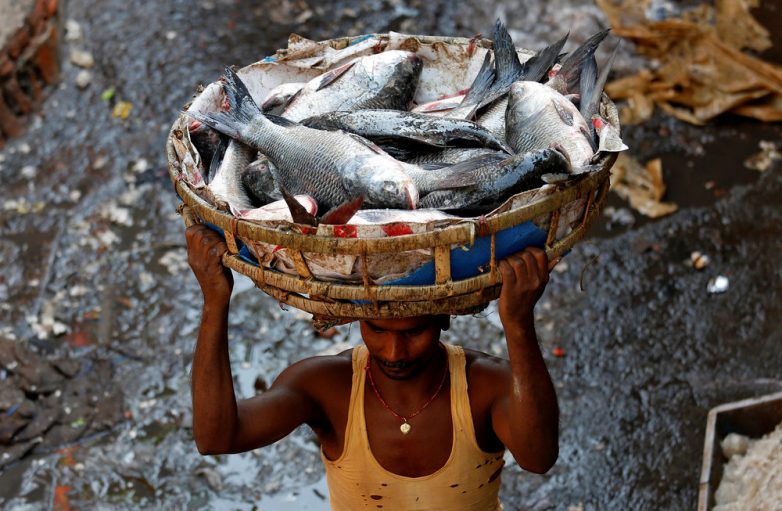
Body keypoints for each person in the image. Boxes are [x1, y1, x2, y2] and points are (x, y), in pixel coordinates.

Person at [186, 223, 560, 510]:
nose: (395, 352)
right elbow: (217, 437)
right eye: (377, 330)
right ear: (357, 320)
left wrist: (519, 323)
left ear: (445, 319)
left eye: (414, 332)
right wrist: (214, 303)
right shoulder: (325, 387)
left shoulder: (485, 386)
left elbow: (538, 457)